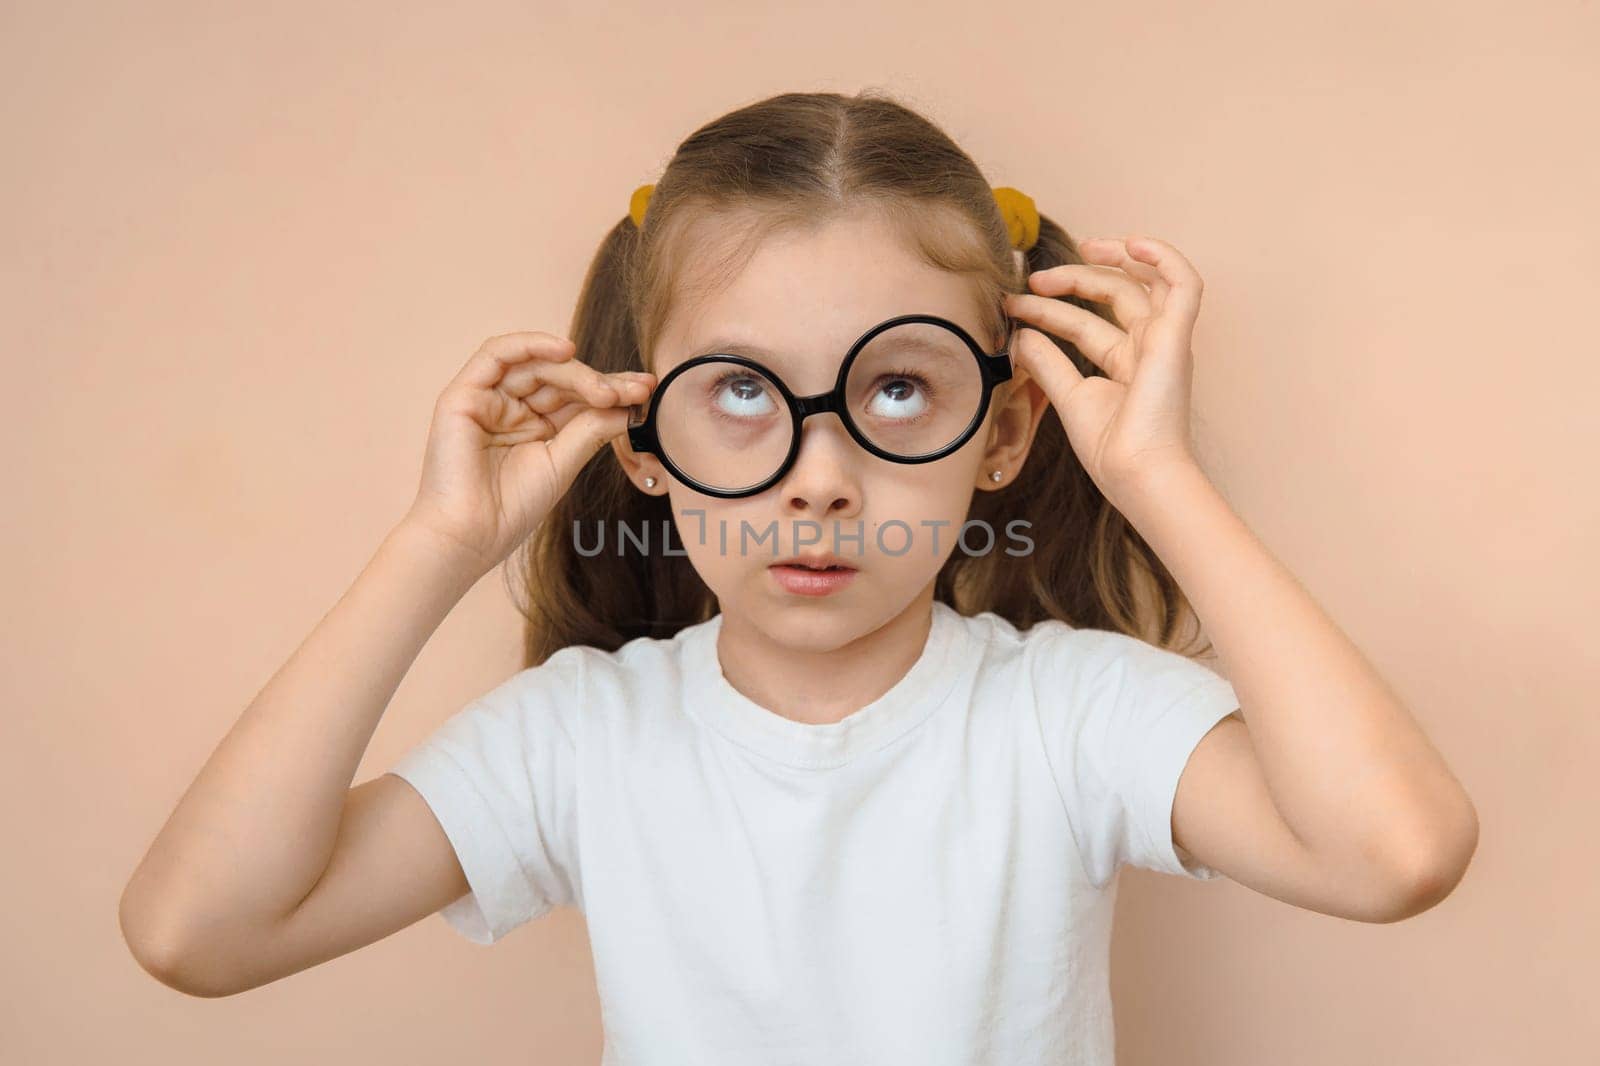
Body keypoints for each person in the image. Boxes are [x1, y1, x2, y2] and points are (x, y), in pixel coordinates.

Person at [119, 89, 1479, 1064]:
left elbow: (1396, 851)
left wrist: (1157, 478)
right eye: (739, 392)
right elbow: (197, 931)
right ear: (645, 439)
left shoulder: (1064, 717)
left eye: (896, 387)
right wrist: (432, 548)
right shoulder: (588, 736)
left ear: (999, 434)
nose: (817, 474)